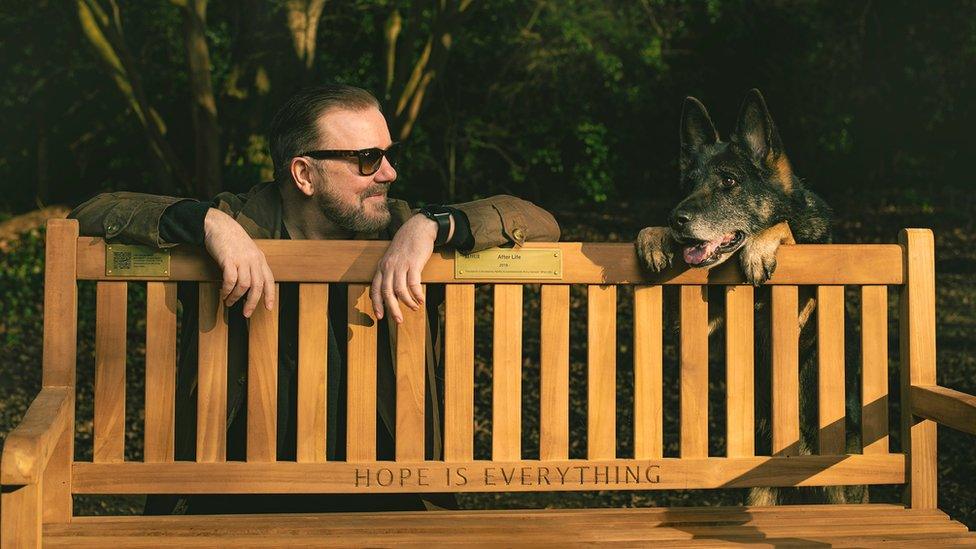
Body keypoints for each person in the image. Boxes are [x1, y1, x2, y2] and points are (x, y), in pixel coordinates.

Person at [69, 84, 560, 514]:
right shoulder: (237, 223)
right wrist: (207, 223)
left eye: (390, 155)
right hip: (229, 495)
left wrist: (434, 223)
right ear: (303, 174)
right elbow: (93, 211)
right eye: (368, 158)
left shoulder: (406, 229)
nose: (388, 173)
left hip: (388, 496)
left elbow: (538, 221)